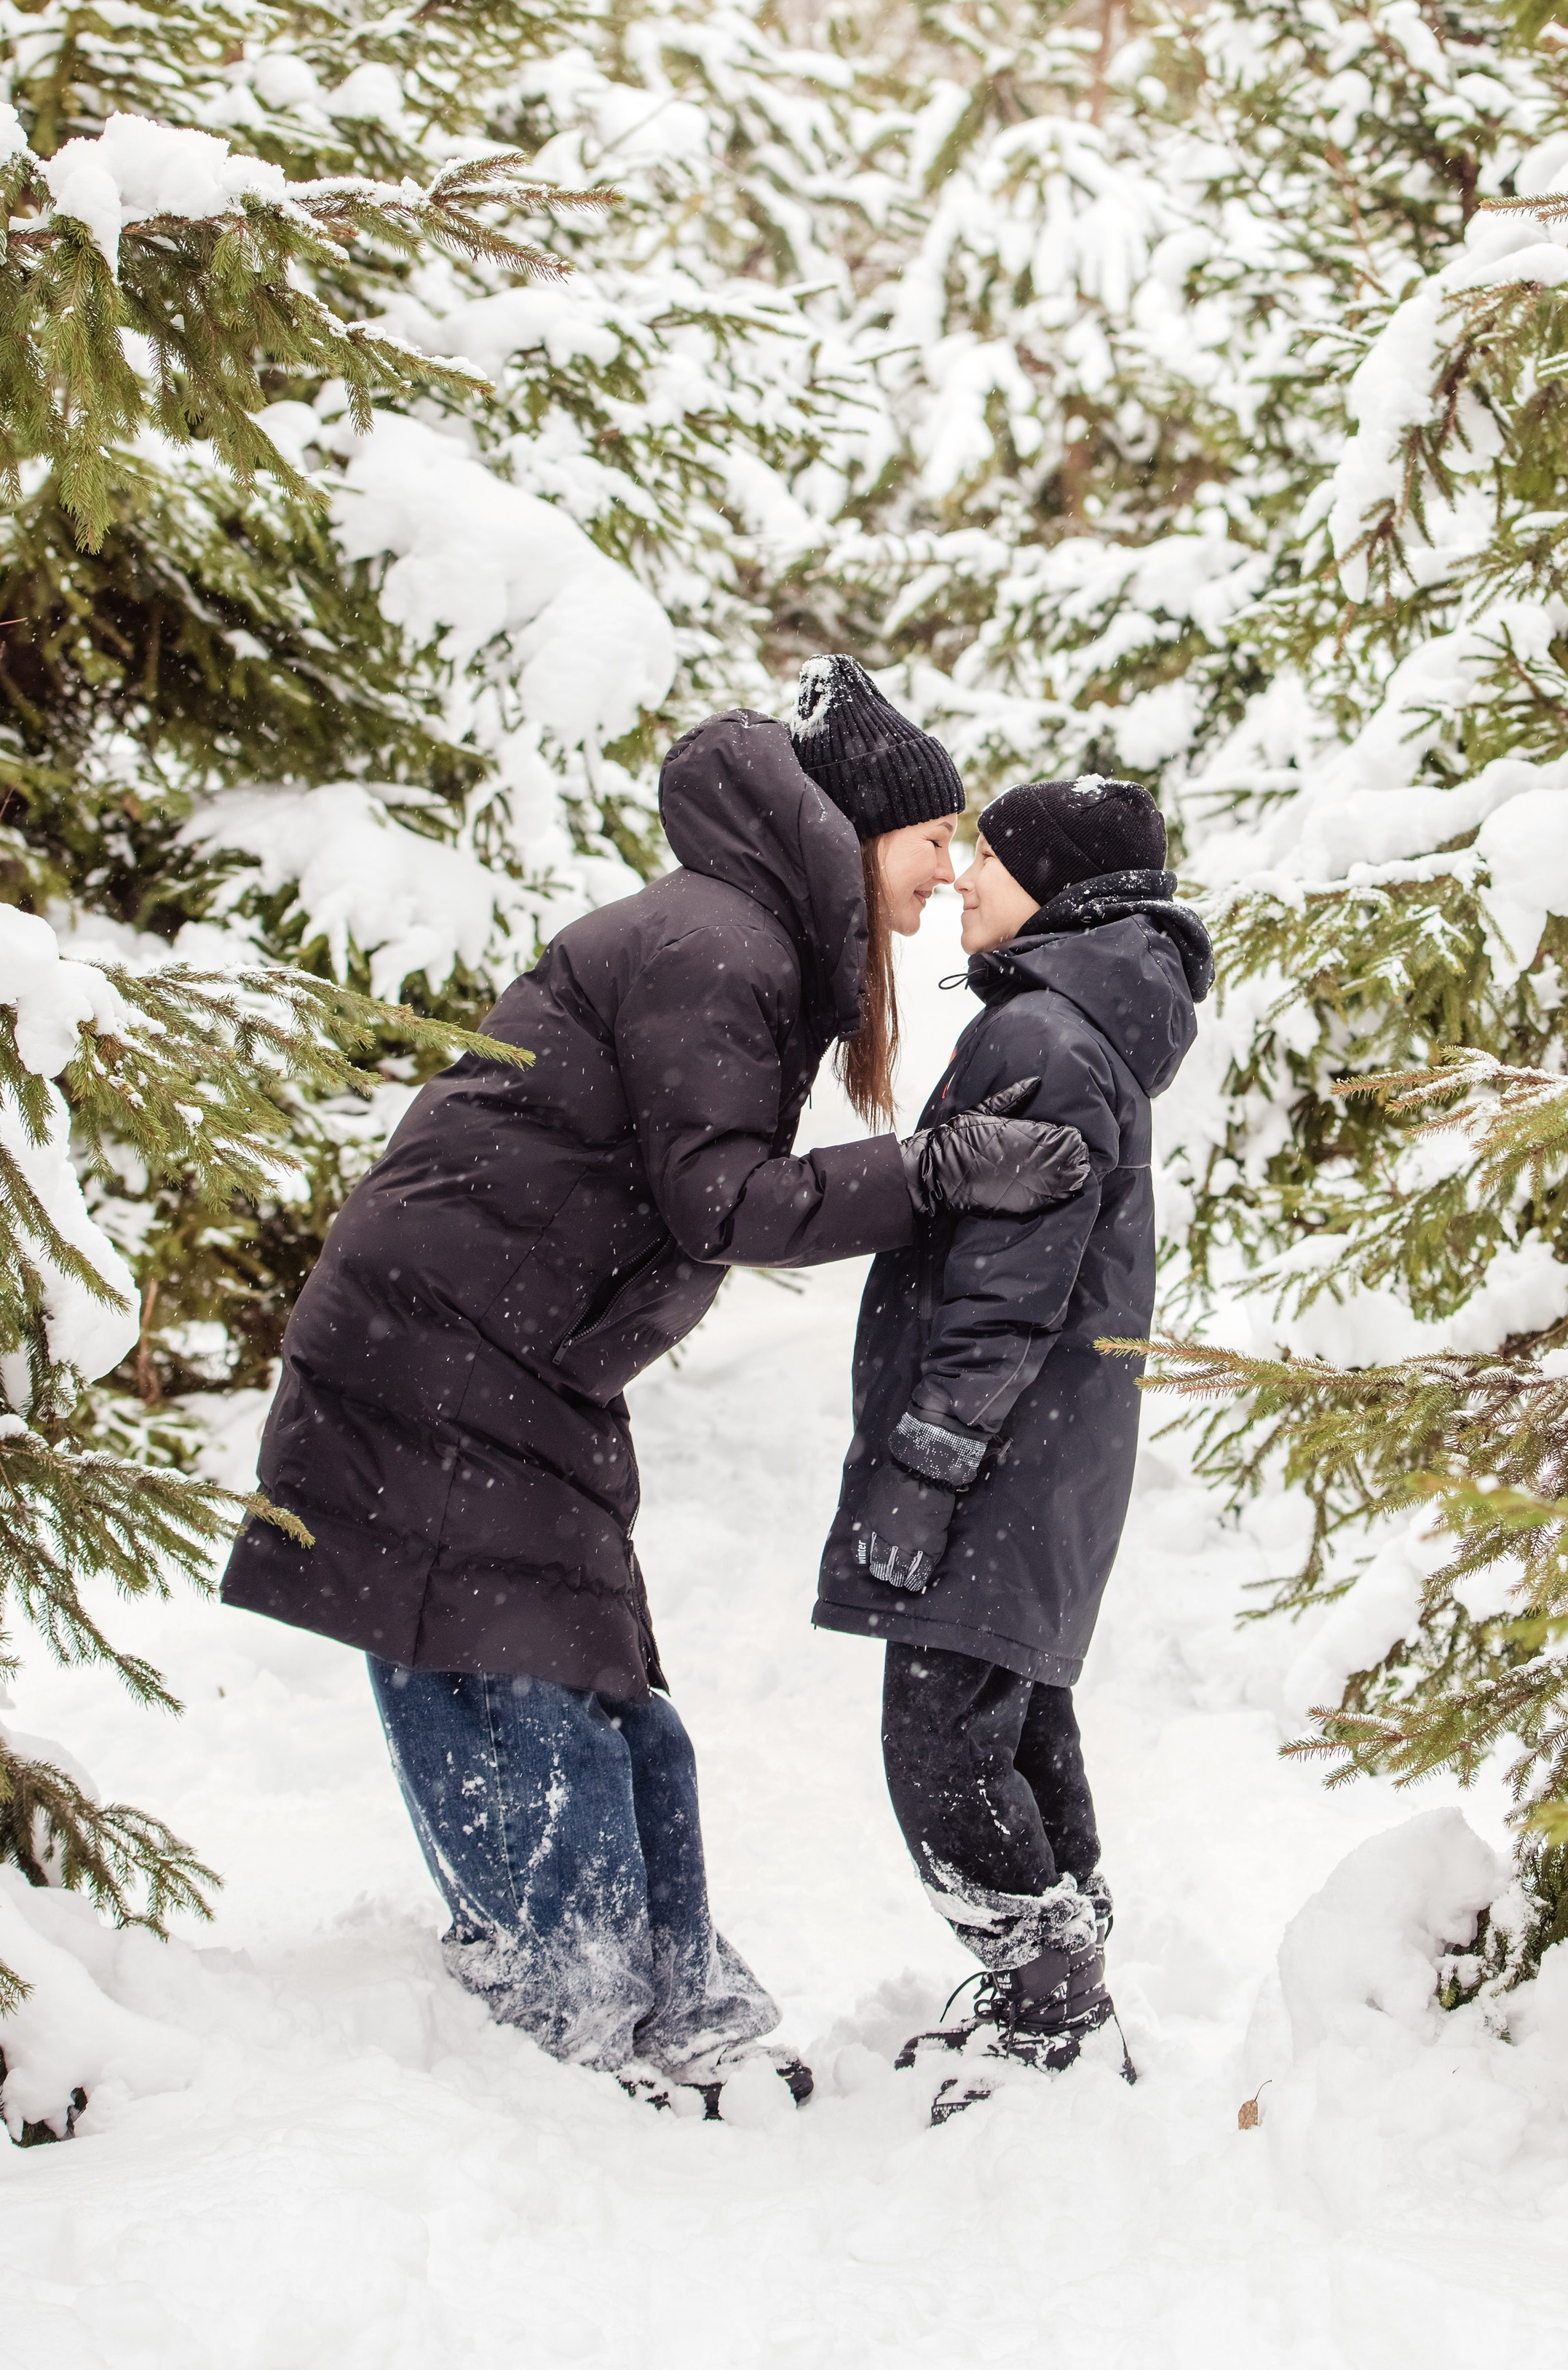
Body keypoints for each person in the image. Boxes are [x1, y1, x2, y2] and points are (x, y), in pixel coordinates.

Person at [219, 659, 1091, 2115]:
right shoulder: (716, 944)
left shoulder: (747, 938)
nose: (952, 871)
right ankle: (571, 2009)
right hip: (440, 1340)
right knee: (514, 1663)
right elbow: (719, 1203)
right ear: (857, 828)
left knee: (599, 1668)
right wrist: (932, 1176)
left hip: (510, 1342)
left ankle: (674, 2002)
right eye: (934, 837)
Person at [812, 773, 1211, 2121]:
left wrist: (928, 1464)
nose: (964, 883)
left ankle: (1050, 2016)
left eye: (991, 859)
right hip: (1048, 1456)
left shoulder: (1042, 1030)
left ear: (1054, 884)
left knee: (939, 1740)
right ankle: (1066, 1994)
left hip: (998, 1453)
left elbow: (1004, 1292)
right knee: (1014, 1713)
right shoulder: (1088, 1024)